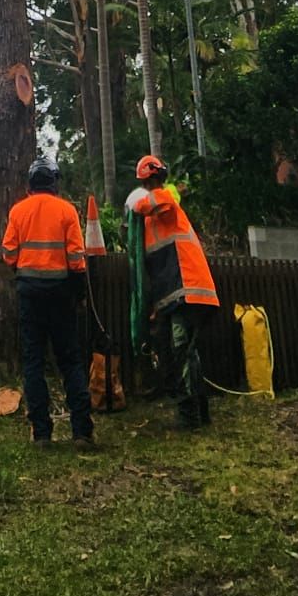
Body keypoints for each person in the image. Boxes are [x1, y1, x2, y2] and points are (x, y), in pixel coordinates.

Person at [1, 153, 95, 447]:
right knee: (70, 361)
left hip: (30, 294)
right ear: (54, 183)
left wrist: (23, 269)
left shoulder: (18, 212)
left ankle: (41, 433)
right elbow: (77, 260)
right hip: (61, 293)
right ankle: (82, 431)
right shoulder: (67, 211)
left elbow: (9, 255)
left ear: (30, 183)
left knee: (33, 362)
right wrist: (78, 293)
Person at [126, 153, 219, 428]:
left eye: (149, 181)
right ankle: (199, 414)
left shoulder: (166, 198)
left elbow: (155, 202)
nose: (148, 187)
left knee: (182, 353)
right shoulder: (149, 222)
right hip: (175, 296)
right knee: (179, 354)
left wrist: (134, 201)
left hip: (189, 292)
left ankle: (190, 417)